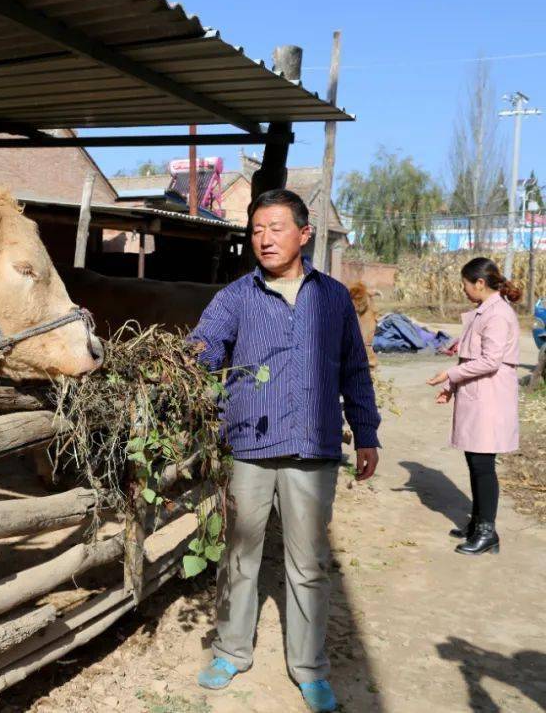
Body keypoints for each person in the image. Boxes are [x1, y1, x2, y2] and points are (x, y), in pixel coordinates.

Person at [189, 189, 380, 713]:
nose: (264, 239)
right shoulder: (236, 297)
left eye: (275, 227)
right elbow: (204, 346)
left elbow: (354, 370)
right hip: (250, 445)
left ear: (304, 233)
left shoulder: (334, 298)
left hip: (313, 448)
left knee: (308, 563)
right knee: (240, 555)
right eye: (255, 230)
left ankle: (309, 668)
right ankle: (231, 650)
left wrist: (366, 432)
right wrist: (182, 363)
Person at [427, 257, 521, 555]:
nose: (464, 290)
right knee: (475, 461)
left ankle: (487, 532)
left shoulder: (498, 314)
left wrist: (450, 375)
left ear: (480, 283)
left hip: (489, 397)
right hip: (479, 394)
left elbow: (490, 360)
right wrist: (450, 385)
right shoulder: (486, 311)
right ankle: (478, 522)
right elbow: (473, 354)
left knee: (482, 465)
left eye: (466, 284)